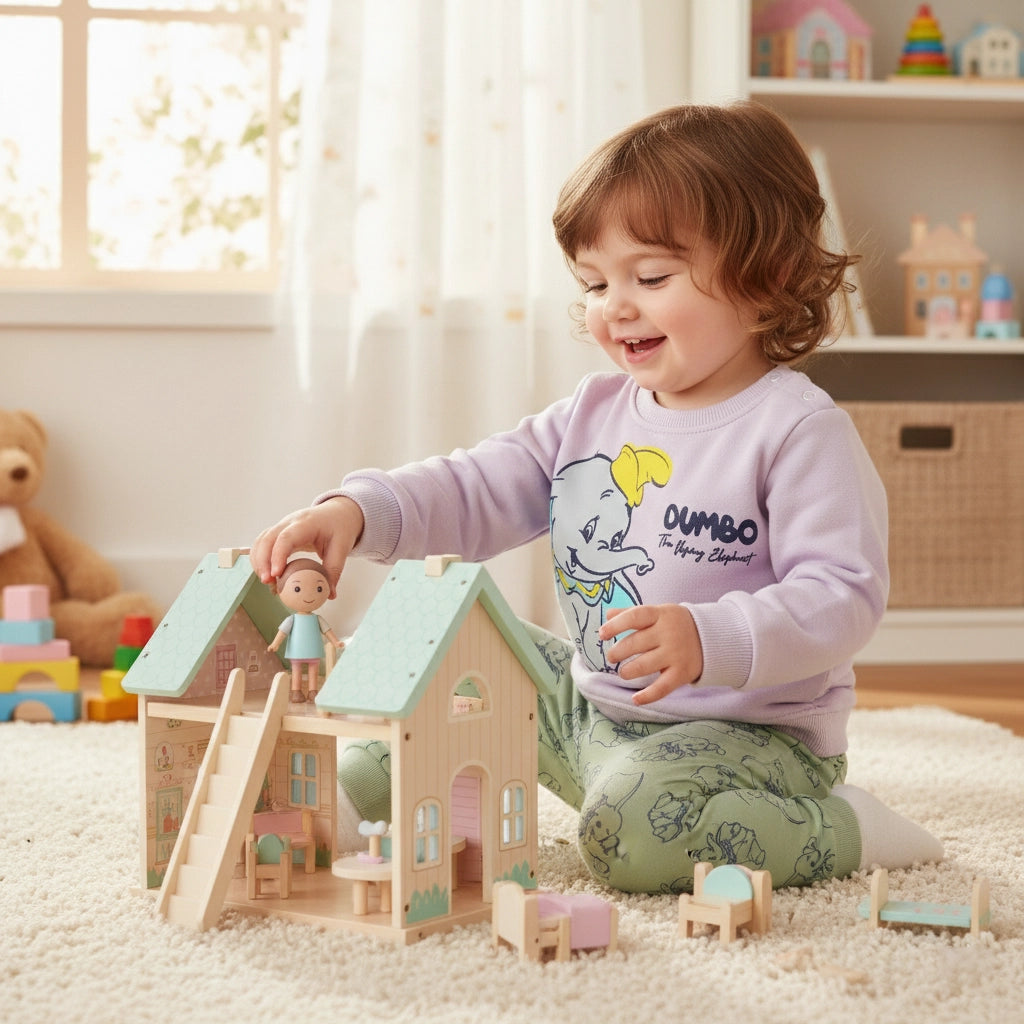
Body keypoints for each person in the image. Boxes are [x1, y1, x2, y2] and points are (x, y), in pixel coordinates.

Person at [251, 101, 943, 893]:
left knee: (626, 841)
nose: (614, 304)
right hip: (590, 711)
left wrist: (710, 636)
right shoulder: (592, 412)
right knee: (438, 668)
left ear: (770, 277)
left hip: (748, 742)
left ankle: (848, 828)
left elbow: (842, 597)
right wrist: (358, 511)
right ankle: (329, 820)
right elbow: (476, 484)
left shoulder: (797, 430)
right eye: (594, 282)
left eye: (650, 277)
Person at [266, 557, 345, 703]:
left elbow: (327, 630)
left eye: (319, 588)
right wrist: (275, 644)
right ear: (279, 589)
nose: (308, 596)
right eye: (297, 589)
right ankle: (296, 691)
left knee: (313, 671)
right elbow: (282, 632)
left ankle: (312, 691)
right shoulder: (292, 619)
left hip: (313, 650)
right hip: (297, 650)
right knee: (296, 671)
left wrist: (336, 642)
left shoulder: (317, 619)